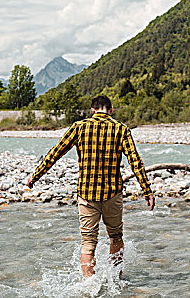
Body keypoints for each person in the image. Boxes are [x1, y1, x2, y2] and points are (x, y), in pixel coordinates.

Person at [27, 95, 155, 278]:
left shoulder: (79, 127)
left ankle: (89, 287)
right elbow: (135, 161)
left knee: (88, 244)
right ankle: (116, 279)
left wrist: (36, 175)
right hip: (113, 194)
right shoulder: (121, 129)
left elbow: (56, 153)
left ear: (93, 110)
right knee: (116, 237)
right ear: (110, 110)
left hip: (87, 195)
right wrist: (147, 190)